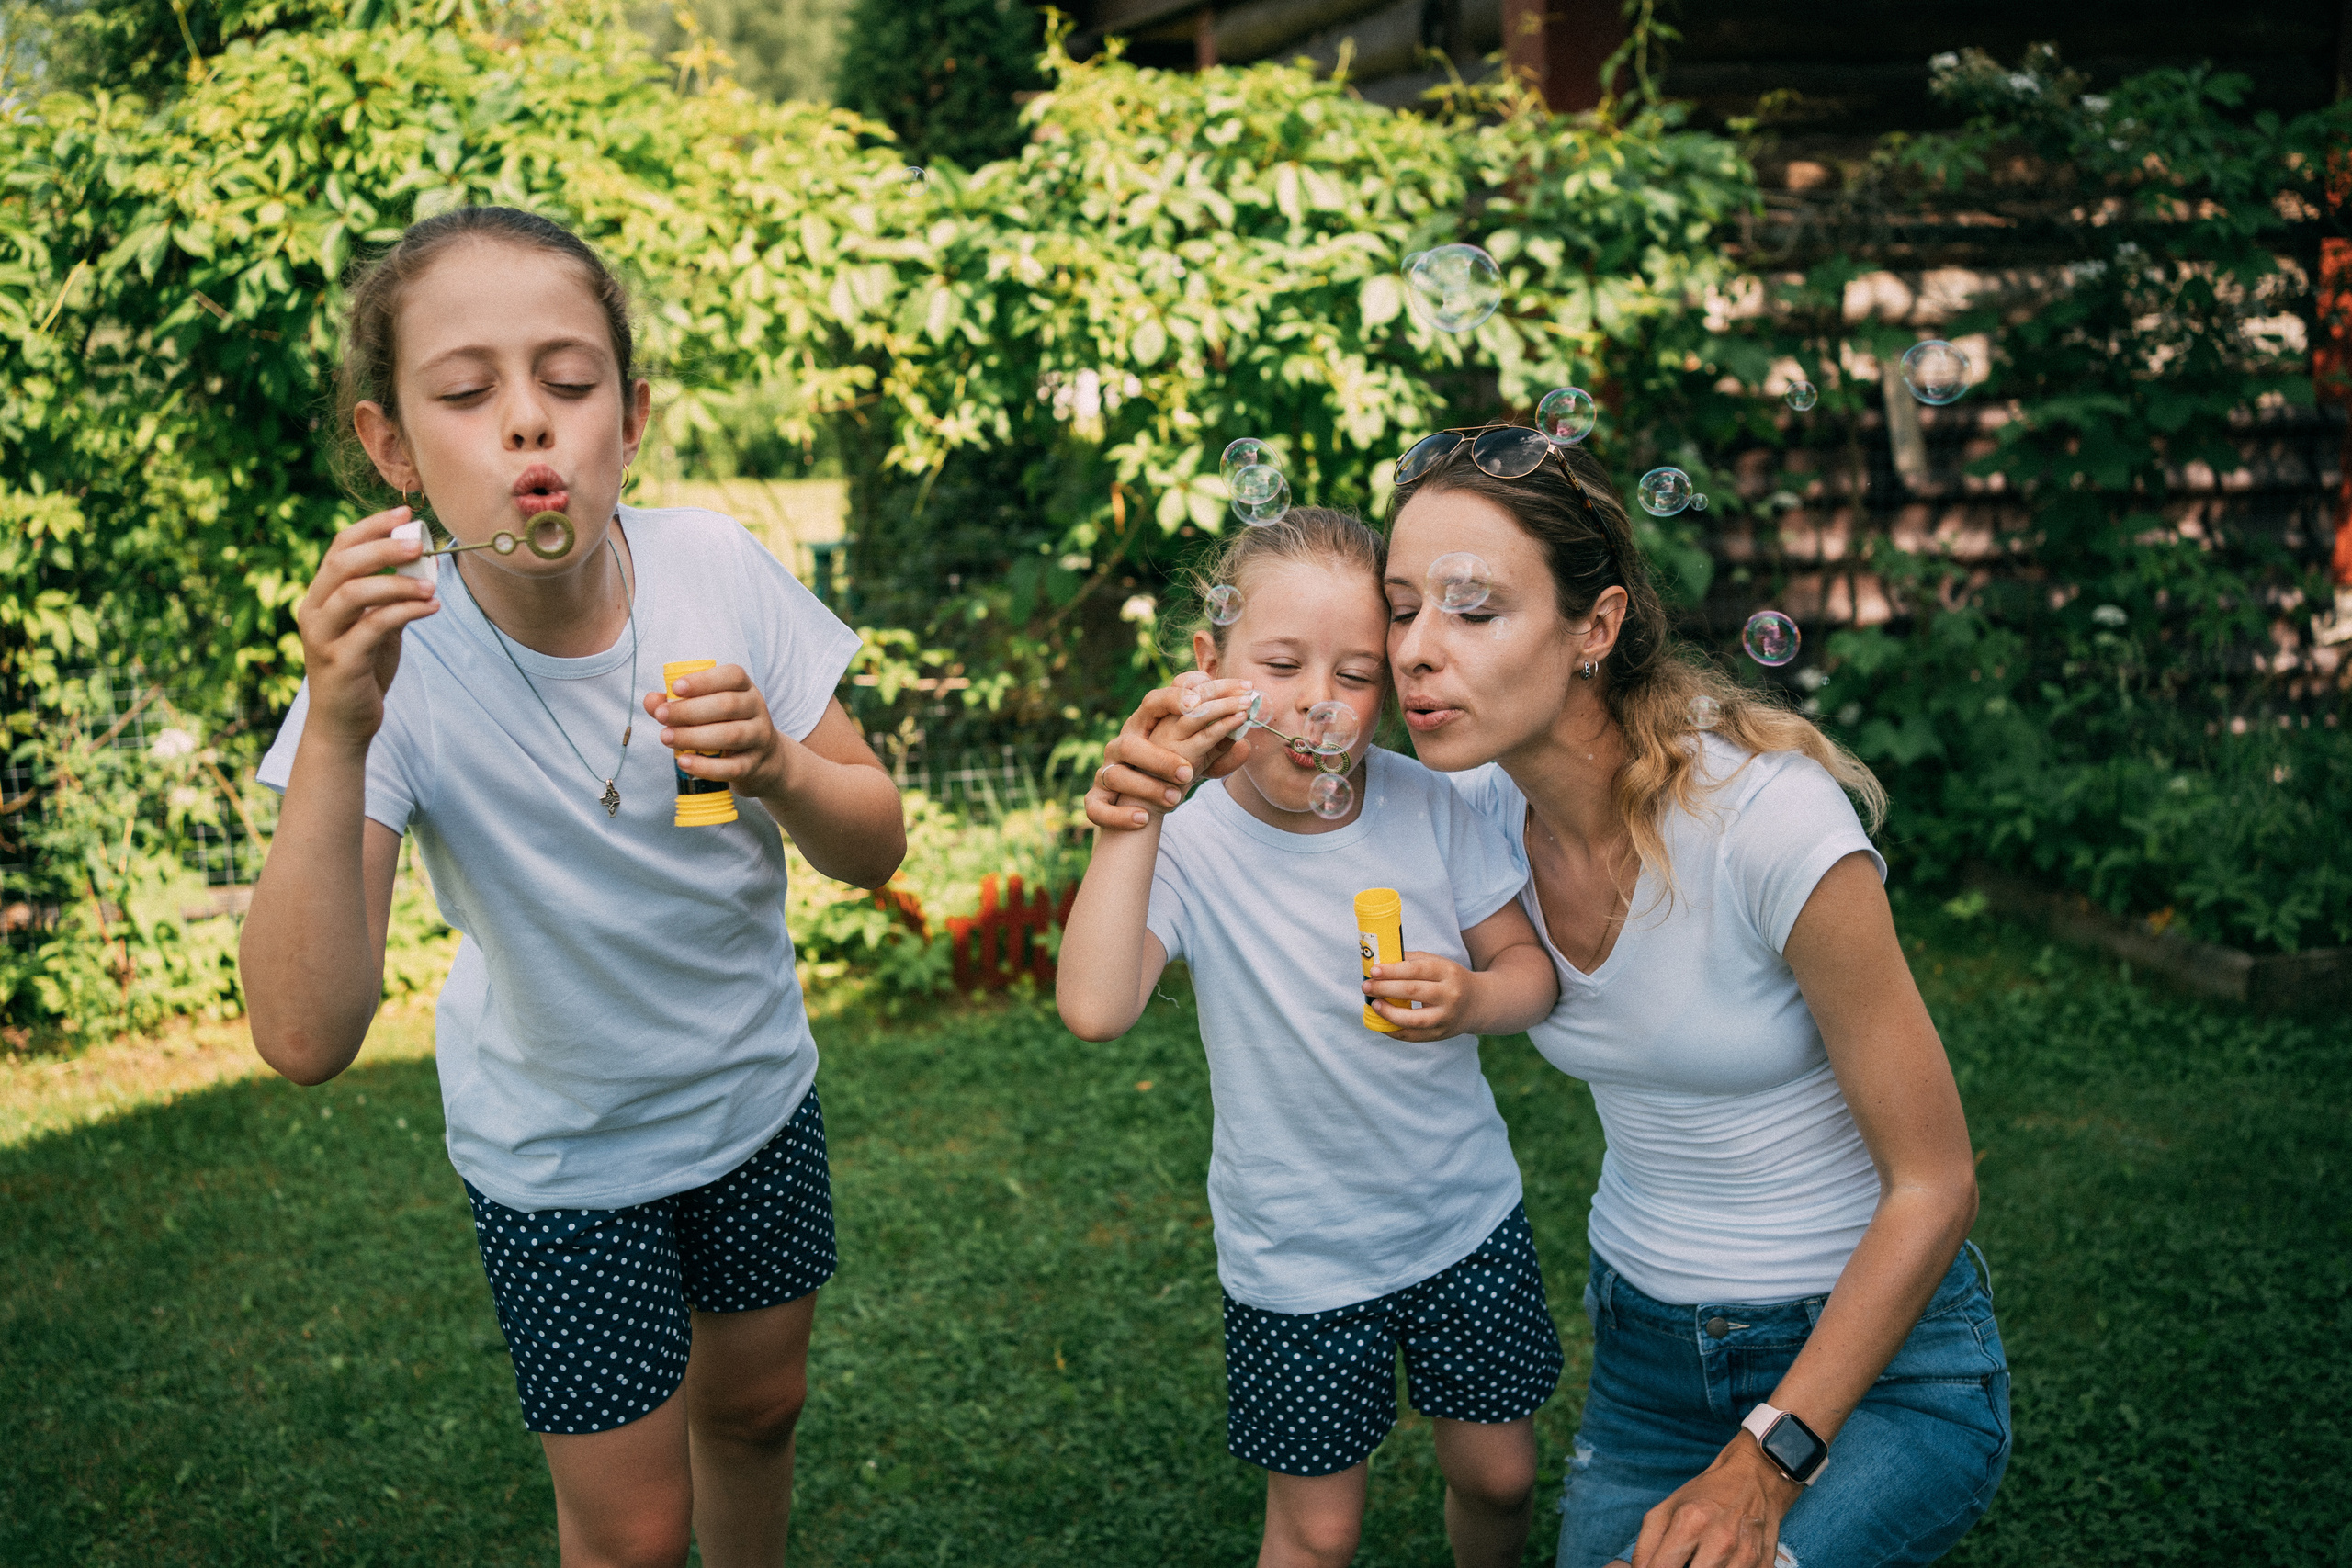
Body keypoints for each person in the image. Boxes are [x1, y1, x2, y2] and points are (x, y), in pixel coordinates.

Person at [1088, 428, 2008, 1568]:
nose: (1417, 652)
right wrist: (1155, 799)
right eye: (1405, 609)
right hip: (1645, 1360)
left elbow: (1937, 1184)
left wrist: (1761, 1463)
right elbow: (1255, 853)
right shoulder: (1459, 809)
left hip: (1871, 1365)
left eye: (1474, 611)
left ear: (1596, 628)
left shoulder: (1770, 829)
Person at [240, 207, 904, 1568]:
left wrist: (780, 764)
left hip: (754, 1095)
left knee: (762, 1409)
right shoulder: (389, 671)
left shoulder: (715, 567)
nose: (529, 427)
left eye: (570, 381)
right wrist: (340, 728)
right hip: (562, 1161)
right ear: (394, 449)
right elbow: (305, 1035)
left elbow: (875, 839)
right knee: (635, 1528)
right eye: (470, 394)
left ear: (633, 415)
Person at [1058, 508, 1566, 1568]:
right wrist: (1132, 818)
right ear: (1209, 665)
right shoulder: (1189, 845)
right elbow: (1096, 1008)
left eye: (1356, 674)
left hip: (1461, 1217)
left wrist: (1473, 999)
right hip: (1299, 1255)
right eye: (1280, 665)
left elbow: (1529, 976)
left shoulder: (1430, 806)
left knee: (1501, 1475)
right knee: (1318, 1532)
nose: (1317, 705)